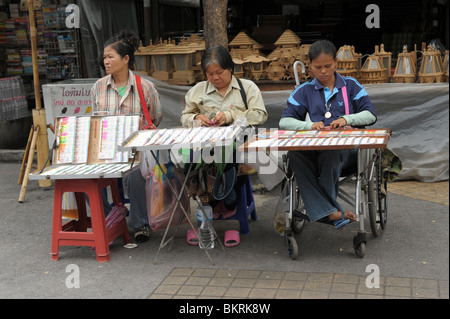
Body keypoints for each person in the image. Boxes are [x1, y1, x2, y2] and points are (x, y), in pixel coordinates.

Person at [279, 39, 377, 228]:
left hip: (347, 153)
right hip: (315, 149)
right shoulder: (304, 90)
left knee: (331, 151)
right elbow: (284, 121)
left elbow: (370, 115)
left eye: (327, 66)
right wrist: (308, 126)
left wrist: (347, 120)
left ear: (336, 63)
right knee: (295, 155)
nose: (323, 71)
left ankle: (325, 211)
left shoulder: (351, 85)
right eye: (317, 67)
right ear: (310, 67)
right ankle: (332, 212)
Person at [91, 28, 163, 242]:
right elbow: (95, 121)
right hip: (105, 150)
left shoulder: (145, 87)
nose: (106, 61)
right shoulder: (98, 88)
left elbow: (156, 117)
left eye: (110, 57)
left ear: (125, 59)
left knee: (135, 174)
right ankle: (110, 219)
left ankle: (139, 223)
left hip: (134, 150)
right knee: (85, 178)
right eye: (104, 57)